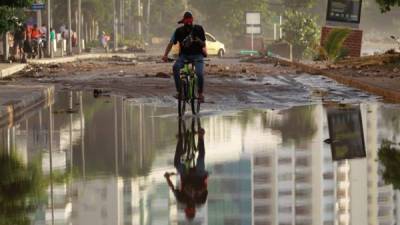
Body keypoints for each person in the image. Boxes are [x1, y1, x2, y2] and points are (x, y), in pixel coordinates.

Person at [164, 119, 208, 221]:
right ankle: (201, 137)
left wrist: (167, 178)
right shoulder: (200, 201)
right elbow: (205, 189)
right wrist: (198, 191)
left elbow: (173, 188)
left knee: (177, 164)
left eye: (188, 209)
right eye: (192, 209)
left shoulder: (181, 199)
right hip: (199, 176)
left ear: (186, 210)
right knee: (201, 159)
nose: (190, 207)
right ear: (194, 210)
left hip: (186, 175)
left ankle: (180, 141)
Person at [162, 11, 207, 102]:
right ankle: (180, 92)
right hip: (184, 56)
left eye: (189, 22)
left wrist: (198, 40)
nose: (188, 25)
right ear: (183, 23)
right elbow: (171, 43)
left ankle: (201, 94)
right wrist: (165, 55)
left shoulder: (199, 29)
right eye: (186, 23)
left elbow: (203, 44)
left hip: (197, 56)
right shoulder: (178, 31)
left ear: (192, 21)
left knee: (199, 73)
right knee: (175, 67)